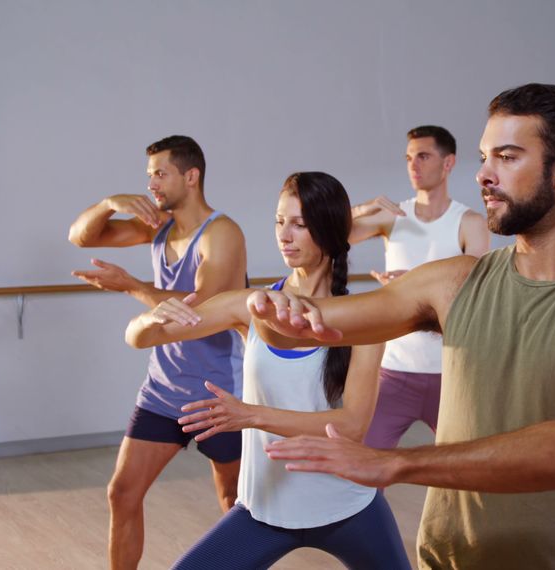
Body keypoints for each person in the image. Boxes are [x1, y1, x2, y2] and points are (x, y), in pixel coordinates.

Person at [226, 84, 555, 569]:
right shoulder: (453, 282)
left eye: (506, 157)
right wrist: (267, 311)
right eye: (485, 157)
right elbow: (307, 327)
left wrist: (396, 463)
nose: (483, 175)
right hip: (445, 561)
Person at [126, 172, 410, 569]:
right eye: (279, 221)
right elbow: (140, 338)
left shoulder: (364, 320)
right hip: (265, 507)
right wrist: (149, 318)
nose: (284, 235)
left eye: (298, 224)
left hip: (348, 505)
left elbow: (351, 426)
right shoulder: (253, 306)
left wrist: (251, 415)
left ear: (327, 231)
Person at [67, 135, 247, 570]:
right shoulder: (157, 227)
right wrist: (110, 203)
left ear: (191, 176)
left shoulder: (222, 233)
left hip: (217, 395)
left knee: (235, 503)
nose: (152, 184)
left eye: (161, 174)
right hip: (163, 392)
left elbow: (202, 310)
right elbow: (81, 237)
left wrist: (132, 286)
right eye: (149, 175)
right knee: (122, 492)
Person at [349, 125, 489, 450]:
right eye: (409, 157)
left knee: (463, 471)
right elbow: (327, 239)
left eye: (423, 156)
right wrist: (361, 210)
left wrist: (411, 284)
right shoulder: (392, 216)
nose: (414, 165)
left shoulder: (470, 223)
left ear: (448, 163)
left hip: (452, 372)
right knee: (362, 469)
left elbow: (476, 294)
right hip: (394, 372)